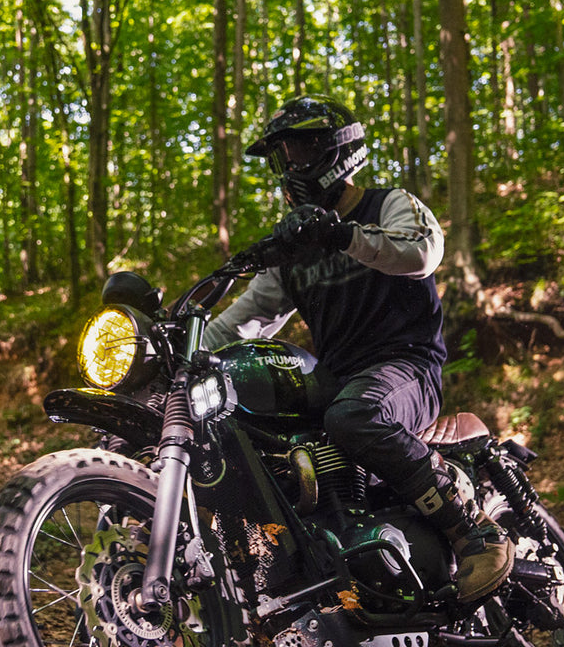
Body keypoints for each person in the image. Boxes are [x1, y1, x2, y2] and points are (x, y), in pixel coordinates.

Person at [203, 95, 512, 603]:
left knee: (354, 415)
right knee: (256, 430)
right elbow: (243, 320)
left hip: (406, 366)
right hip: (339, 377)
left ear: (336, 150)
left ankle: (474, 530)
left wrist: (343, 235)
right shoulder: (293, 256)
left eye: (299, 151)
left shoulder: (388, 204)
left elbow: (421, 252)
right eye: (282, 157)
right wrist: (171, 351)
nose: (290, 167)